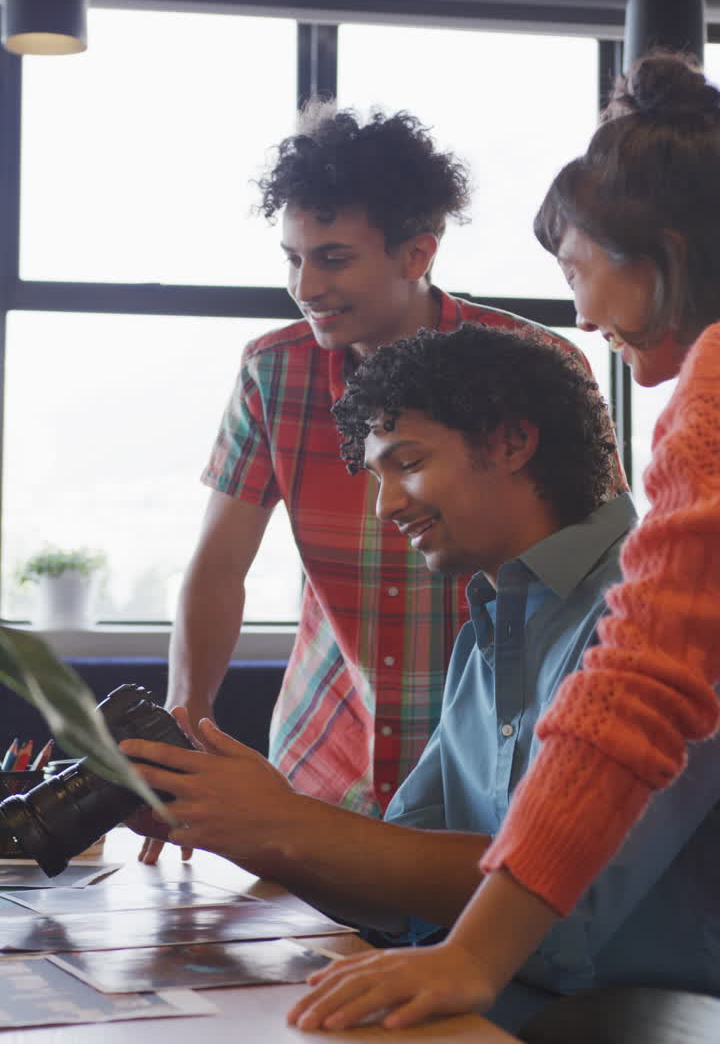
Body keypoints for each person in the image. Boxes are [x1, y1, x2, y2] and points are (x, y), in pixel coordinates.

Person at [290, 50, 720, 1031]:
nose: (579, 310)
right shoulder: (486, 617)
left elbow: (640, 687)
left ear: (664, 251)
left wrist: (473, 957)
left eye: (576, 268)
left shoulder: (711, 389)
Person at [126, 325, 718, 1033]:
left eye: (406, 463)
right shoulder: (487, 634)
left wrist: (290, 824)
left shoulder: (664, 617)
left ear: (511, 443)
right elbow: (399, 892)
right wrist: (242, 825)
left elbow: (568, 898)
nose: (386, 508)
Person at [153, 103, 602, 865]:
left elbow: (594, 567)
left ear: (416, 252)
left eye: (332, 258)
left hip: (488, 767)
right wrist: (183, 731)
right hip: (324, 762)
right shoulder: (274, 370)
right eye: (291, 258)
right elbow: (219, 566)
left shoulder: (533, 366)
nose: (304, 285)